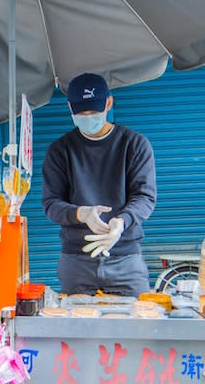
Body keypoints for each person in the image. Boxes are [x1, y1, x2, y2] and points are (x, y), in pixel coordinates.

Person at [41, 72, 157, 297]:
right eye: (81, 112)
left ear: (109, 103)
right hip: (76, 261)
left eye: (94, 111)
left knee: (135, 328)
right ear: (69, 108)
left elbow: (145, 197)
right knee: (77, 330)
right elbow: (51, 204)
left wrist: (121, 223)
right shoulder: (60, 151)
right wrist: (80, 213)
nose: (88, 116)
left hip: (126, 260)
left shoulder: (134, 145)